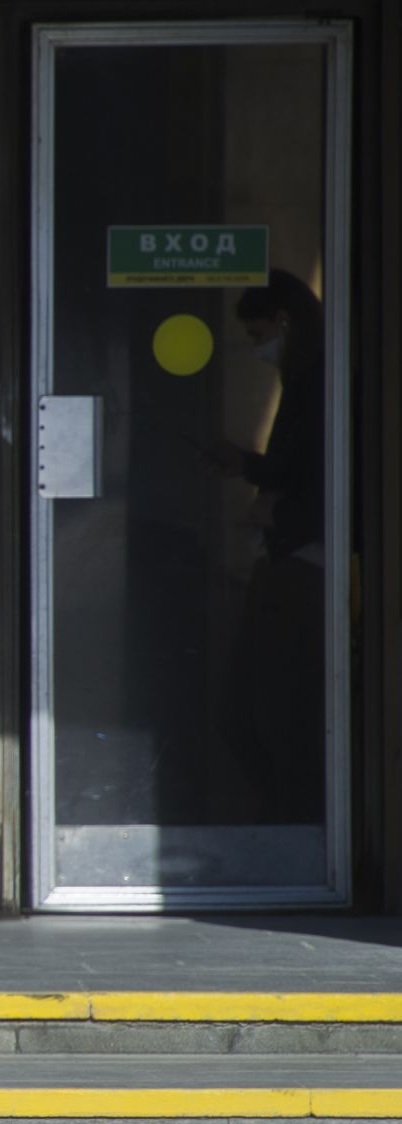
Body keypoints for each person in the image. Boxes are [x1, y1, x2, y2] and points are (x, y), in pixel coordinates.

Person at [213, 268, 327, 822]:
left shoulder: (318, 384)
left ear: (284, 321)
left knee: (265, 714)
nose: (257, 350)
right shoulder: (308, 379)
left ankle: (293, 826)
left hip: (300, 565)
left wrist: (277, 508)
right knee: (263, 713)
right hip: (289, 559)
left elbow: (324, 481)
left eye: (259, 336)